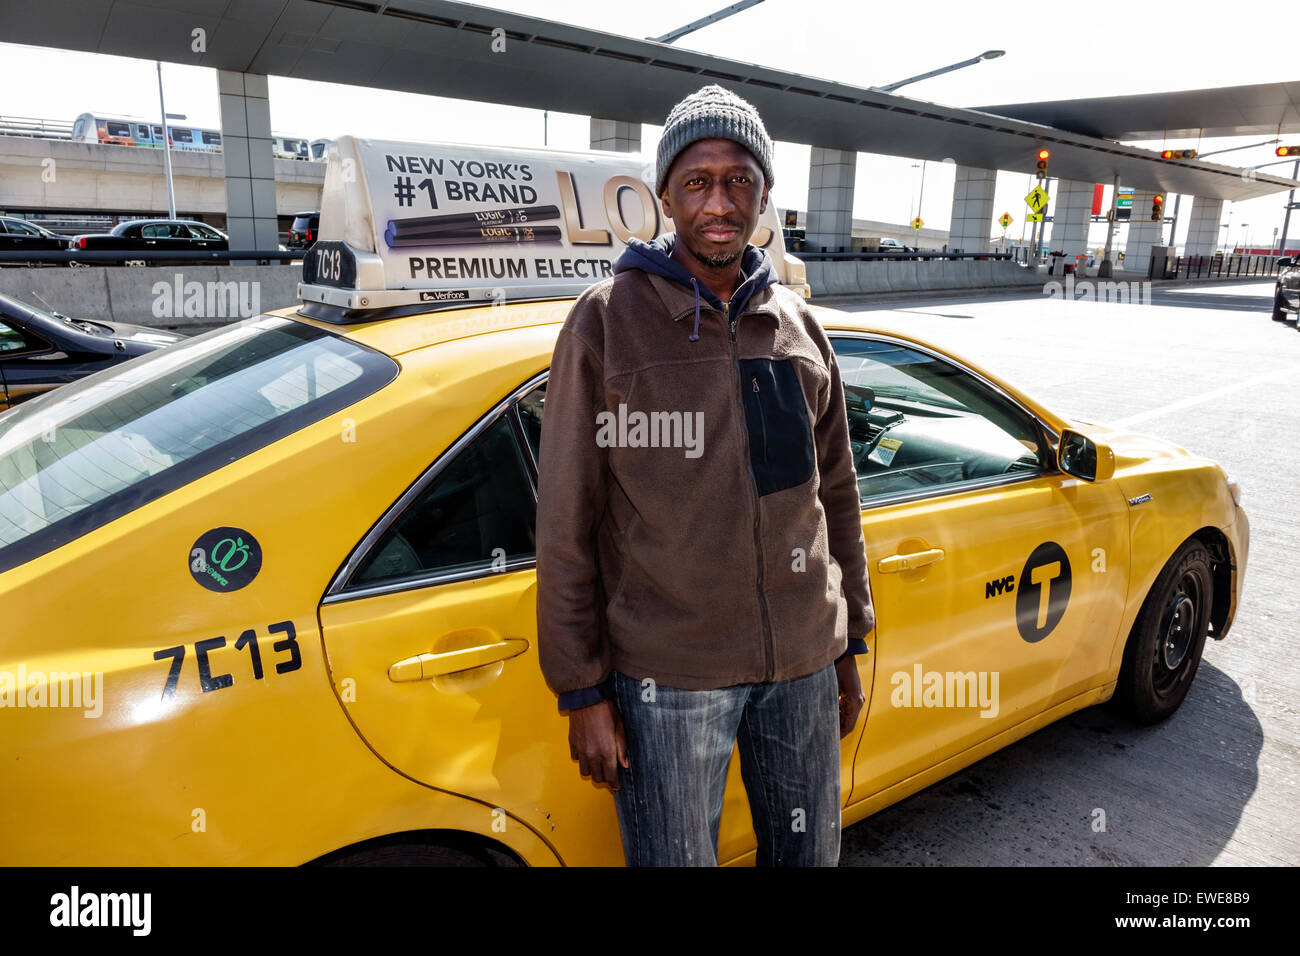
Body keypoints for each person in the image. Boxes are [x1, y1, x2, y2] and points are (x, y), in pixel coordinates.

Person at [536, 84, 874, 866]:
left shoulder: (796, 325)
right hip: (669, 682)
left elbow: (836, 495)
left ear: (763, 195)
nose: (718, 201)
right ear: (666, 197)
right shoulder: (606, 322)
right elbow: (564, 520)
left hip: (801, 666)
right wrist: (582, 690)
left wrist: (848, 639)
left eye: (737, 180)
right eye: (697, 181)